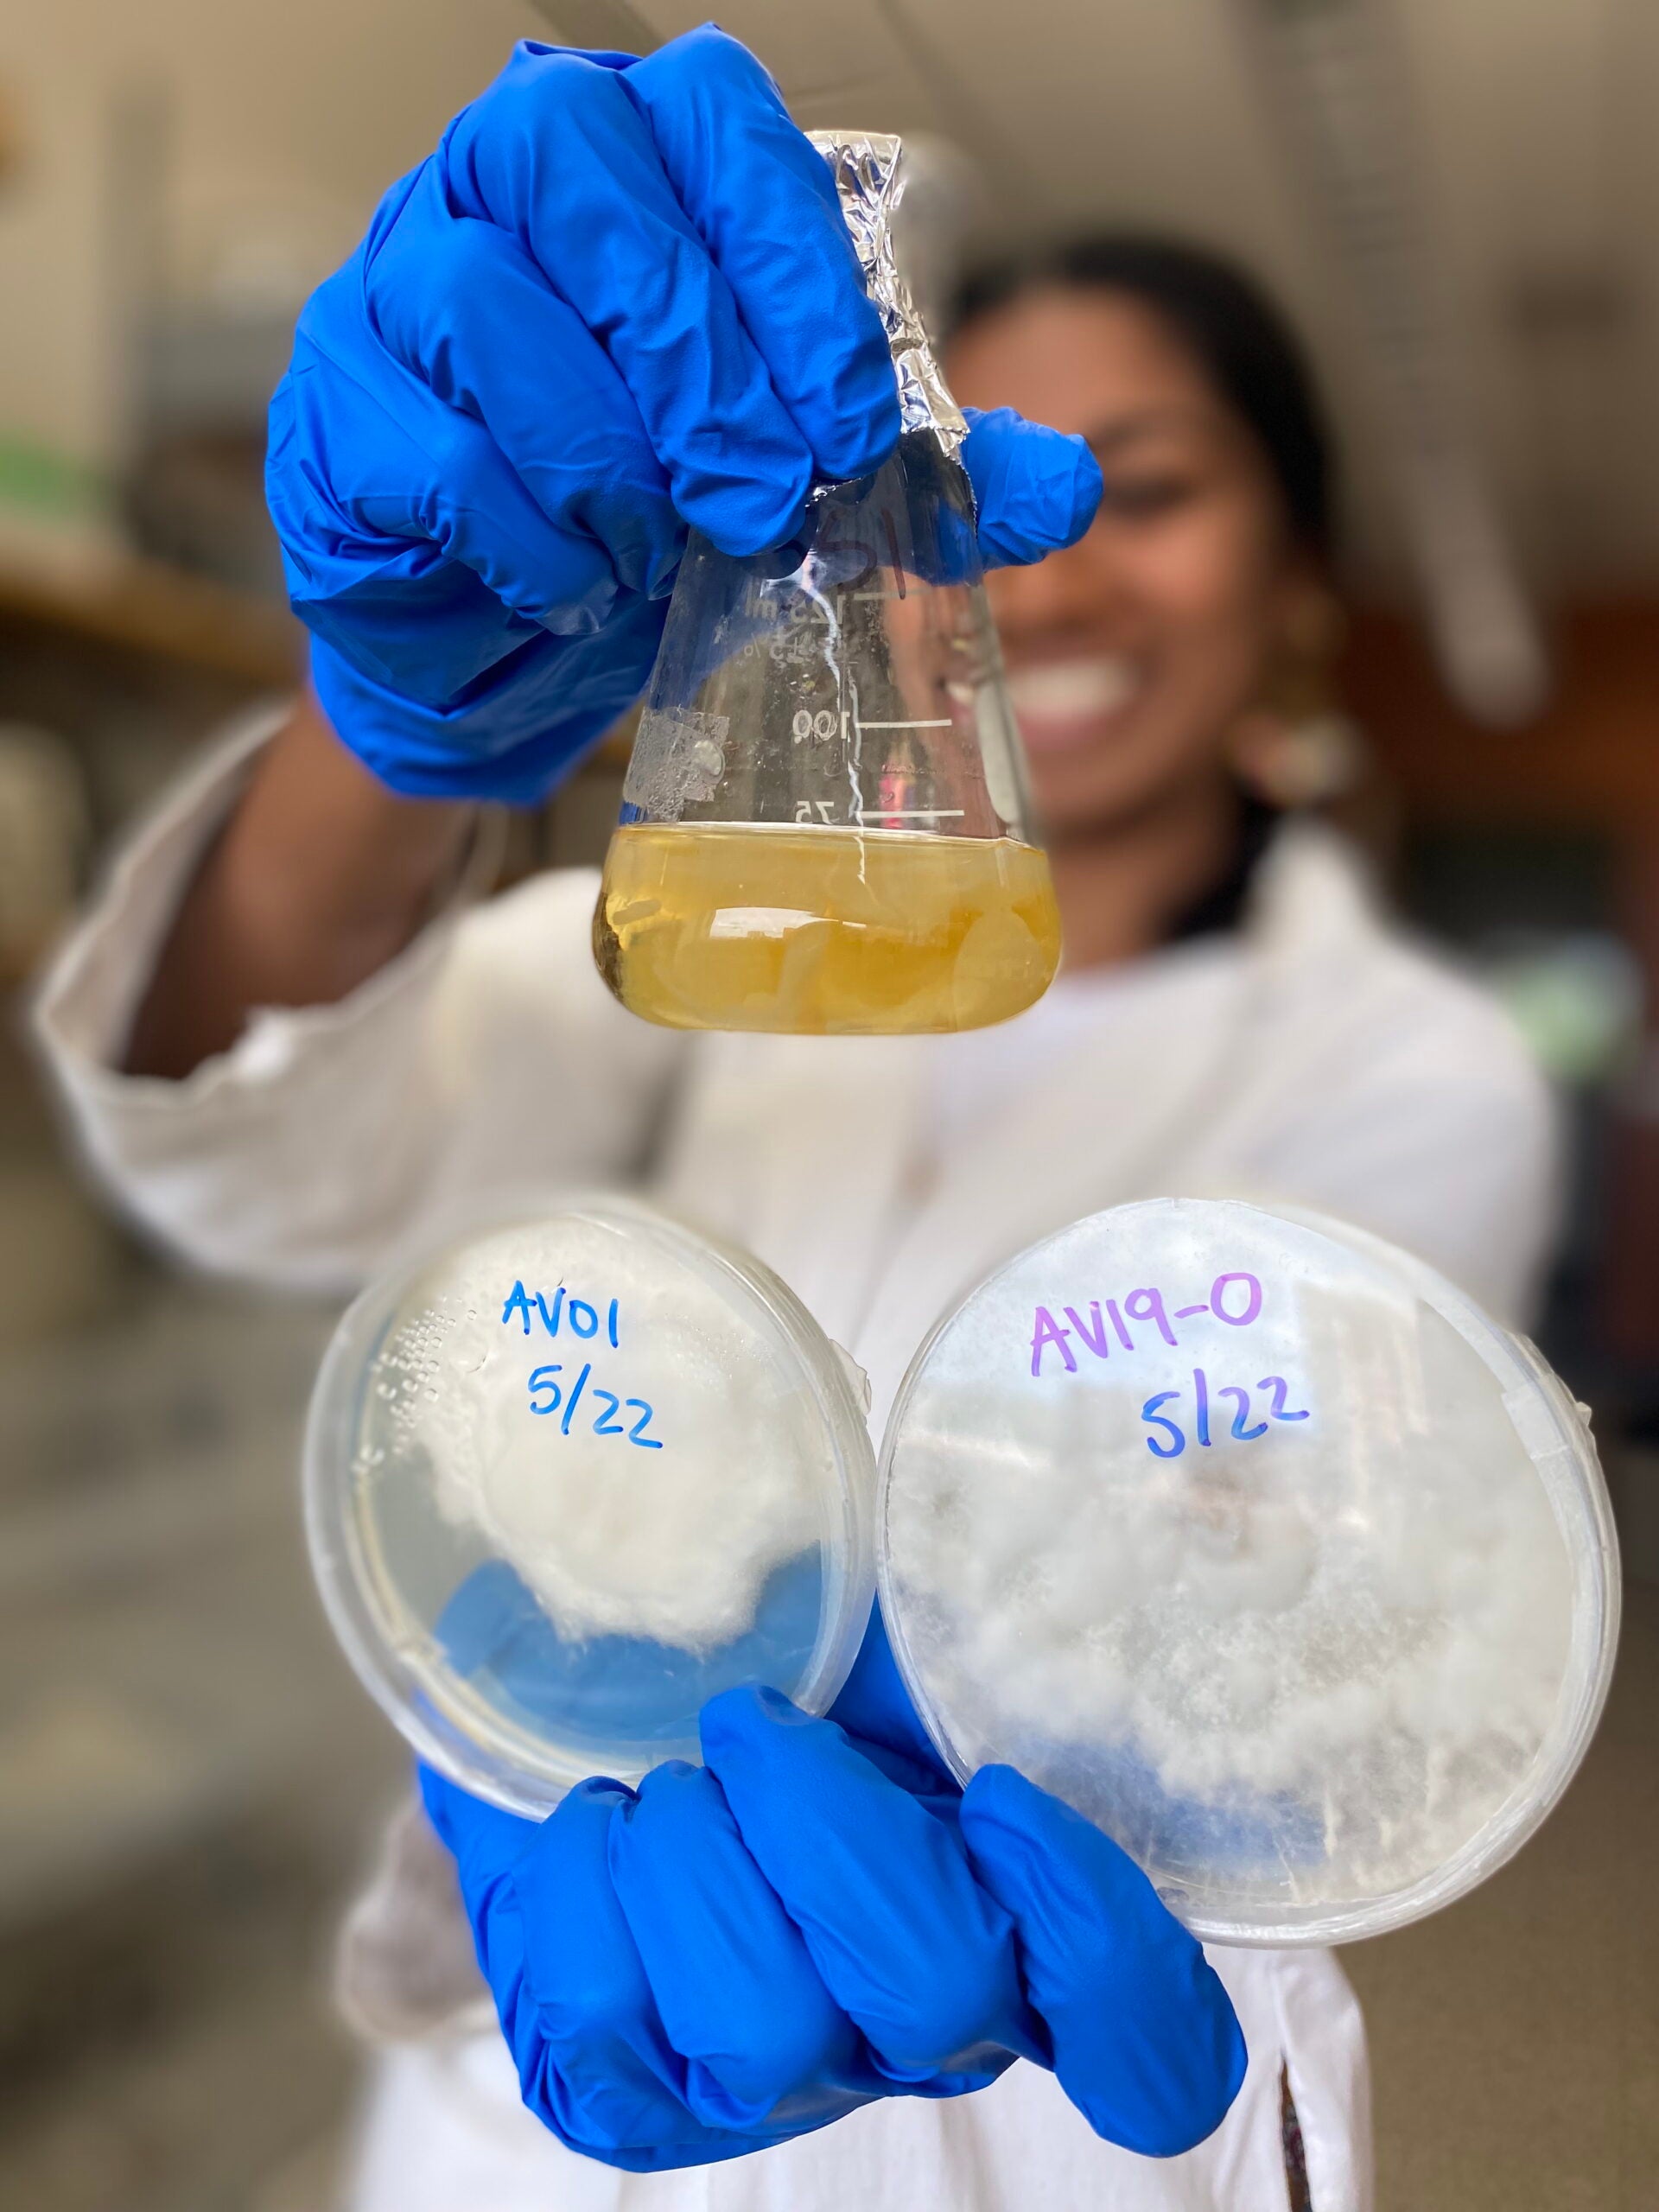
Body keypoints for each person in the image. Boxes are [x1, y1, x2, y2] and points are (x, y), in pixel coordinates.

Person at [32, 28, 1556, 2212]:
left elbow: (1287, 1579)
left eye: (1167, 479)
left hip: (1049, 2098)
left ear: (1303, 576)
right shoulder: (702, 948)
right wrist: (404, 724)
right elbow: (254, 1144)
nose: (1072, 562)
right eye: (974, 471)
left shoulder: (1410, 1062)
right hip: (539, 2078)